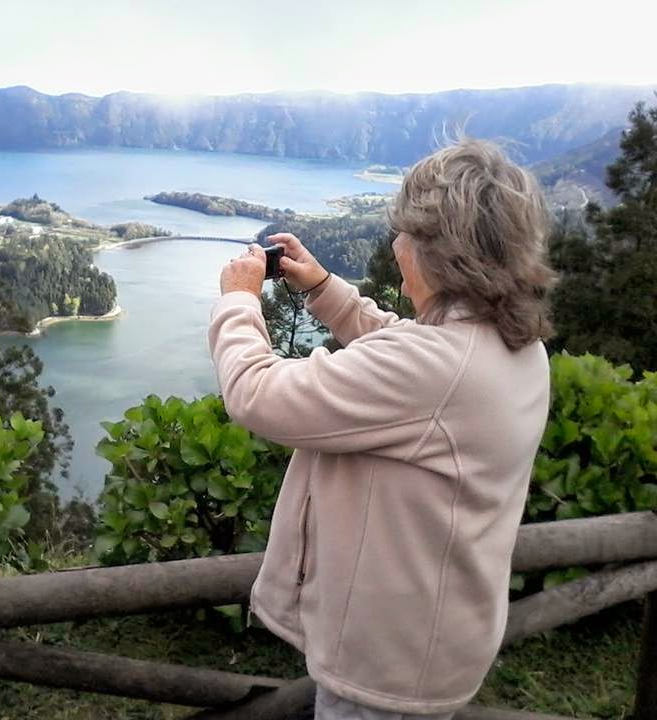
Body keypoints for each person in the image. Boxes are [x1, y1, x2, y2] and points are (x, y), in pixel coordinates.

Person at [208, 138, 556, 719]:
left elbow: (257, 394)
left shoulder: (437, 368)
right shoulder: (510, 345)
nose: (396, 246)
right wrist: (323, 289)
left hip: (385, 667)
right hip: (430, 638)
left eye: (405, 234)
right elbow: (405, 357)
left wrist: (240, 302)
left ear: (439, 254)